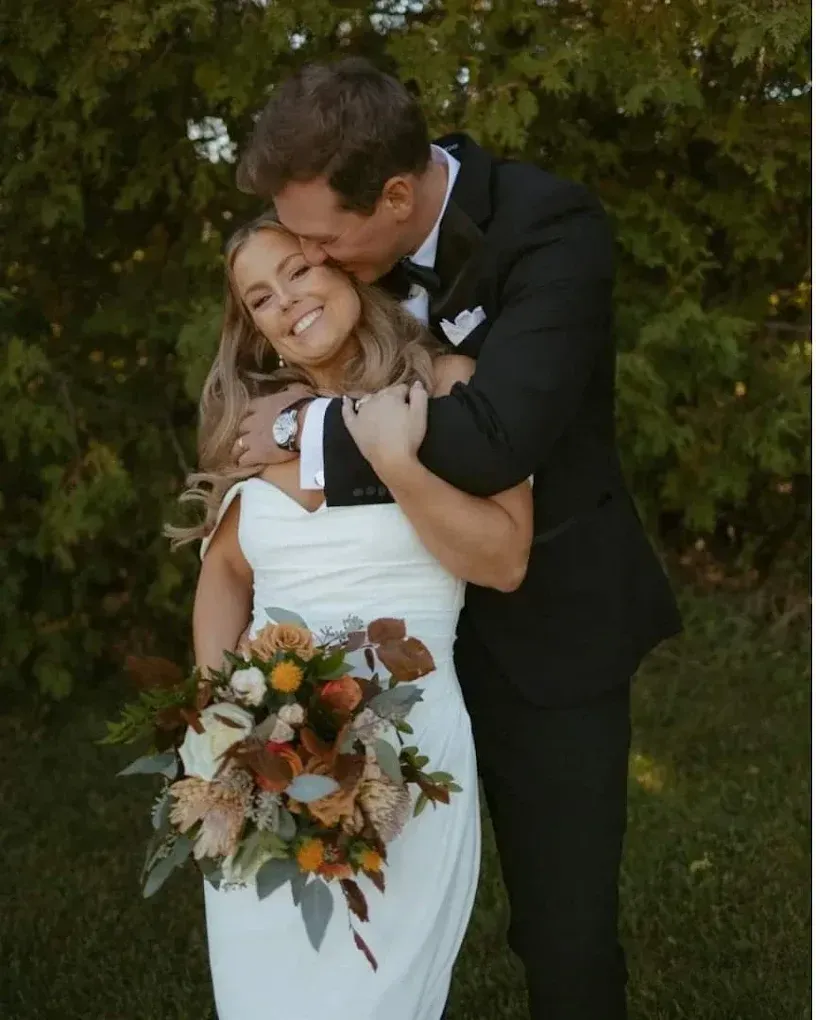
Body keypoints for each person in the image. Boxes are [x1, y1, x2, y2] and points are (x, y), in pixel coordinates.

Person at [233, 59, 683, 1020]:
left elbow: (494, 440)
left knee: (562, 930)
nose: (306, 259)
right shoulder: (332, 269)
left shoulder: (552, 227)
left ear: (397, 195)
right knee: (342, 902)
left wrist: (298, 439)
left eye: (320, 239)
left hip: (546, 613)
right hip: (383, 630)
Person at [172, 212, 534, 1020]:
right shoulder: (258, 424)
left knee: (374, 997)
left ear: (346, 266)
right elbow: (226, 569)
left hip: (403, 755)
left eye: (297, 271)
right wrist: (220, 716)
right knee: (263, 993)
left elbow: (504, 559)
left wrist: (395, 461)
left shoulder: (449, 385)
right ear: (257, 331)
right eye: (261, 298)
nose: (287, 302)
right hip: (260, 754)